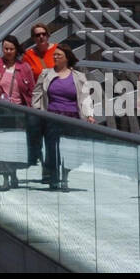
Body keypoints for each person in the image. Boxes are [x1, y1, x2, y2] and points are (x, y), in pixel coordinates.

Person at [31, 41, 96, 190]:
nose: (55, 57)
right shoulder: (46, 74)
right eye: (54, 55)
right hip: (51, 116)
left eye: (59, 55)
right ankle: (54, 178)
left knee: (71, 149)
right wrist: (36, 111)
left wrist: (89, 115)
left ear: (67, 58)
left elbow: (85, 97)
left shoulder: (79, 77)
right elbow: (37, 93)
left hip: (71, 117)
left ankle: (65, 175)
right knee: (52, 148)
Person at [0, 35, 35, 189]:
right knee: (0, 146)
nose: (8, 51)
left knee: (16, 146)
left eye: (11, 49)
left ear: (16, 49)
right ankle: (5, 177)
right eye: (5, 49)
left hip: (18, 114)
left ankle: (14, 173)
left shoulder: (24, 68)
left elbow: (31, 91)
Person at [22, 24, 58, 176]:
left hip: (55, 100)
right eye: (37, 35)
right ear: (33, 38)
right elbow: (25, 78)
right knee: (35, 135)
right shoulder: (28, 55)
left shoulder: (57, 50)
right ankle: (39, 160)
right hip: (36, 101)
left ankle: (51, 171)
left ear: (48, 35)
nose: (41, 37)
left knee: (52, 137)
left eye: (43, 34)